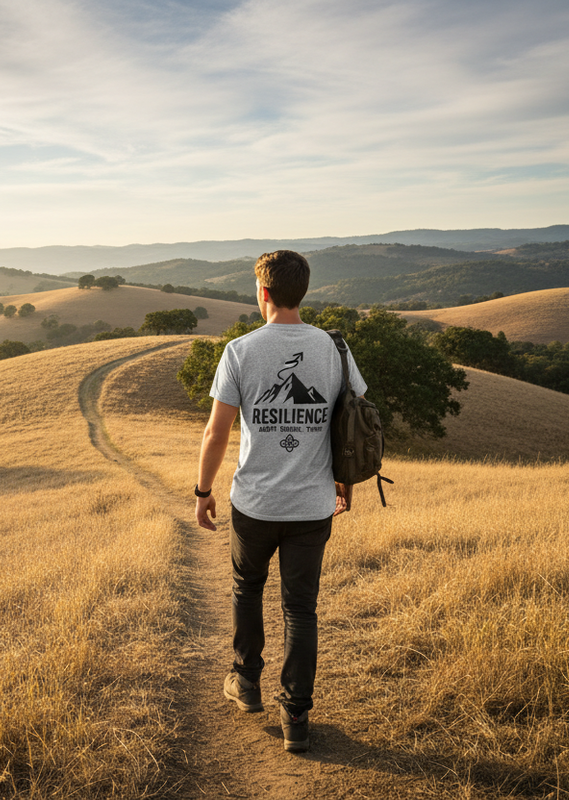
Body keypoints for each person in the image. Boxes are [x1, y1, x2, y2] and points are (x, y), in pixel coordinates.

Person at [194, 249, 366, 754]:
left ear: (262, 293)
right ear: (302, 292)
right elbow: (350, 424)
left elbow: (216, 431)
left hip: (255, 504)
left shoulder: (239, 351)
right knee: (301, 608)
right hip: (313, 506)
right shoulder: (335, 349)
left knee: (247, 589)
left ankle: (246, 682)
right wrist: (345, 481)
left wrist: (203, 492)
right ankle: (296, 714)